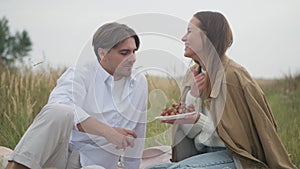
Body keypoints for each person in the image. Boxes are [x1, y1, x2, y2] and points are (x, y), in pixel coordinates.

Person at [147, 11, 296, 169]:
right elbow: (191, 135)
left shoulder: (232, 76)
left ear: (207, 37)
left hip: (235, 157)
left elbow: (240, 138)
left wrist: (199, 119)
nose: (183, 38)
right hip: (203, 154)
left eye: (189, 31)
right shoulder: (193, 75)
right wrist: (192, 97)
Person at [6, 22, 148, 169]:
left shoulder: (139, 83)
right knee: (59, 111)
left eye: (134, 51)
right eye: (124, 53)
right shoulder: (82, 72)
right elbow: (59, 103)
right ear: (102, 53)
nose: (132, 59)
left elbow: (138, 136)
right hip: (60, 158)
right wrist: (108, 132)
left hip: (96, 165)